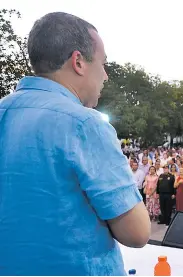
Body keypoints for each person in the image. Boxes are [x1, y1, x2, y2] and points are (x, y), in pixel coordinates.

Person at [0, 12, 150, 275]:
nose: (105, 75)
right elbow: (136, 233)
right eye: (103, 64)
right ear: (78, 62)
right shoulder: (84, 125)